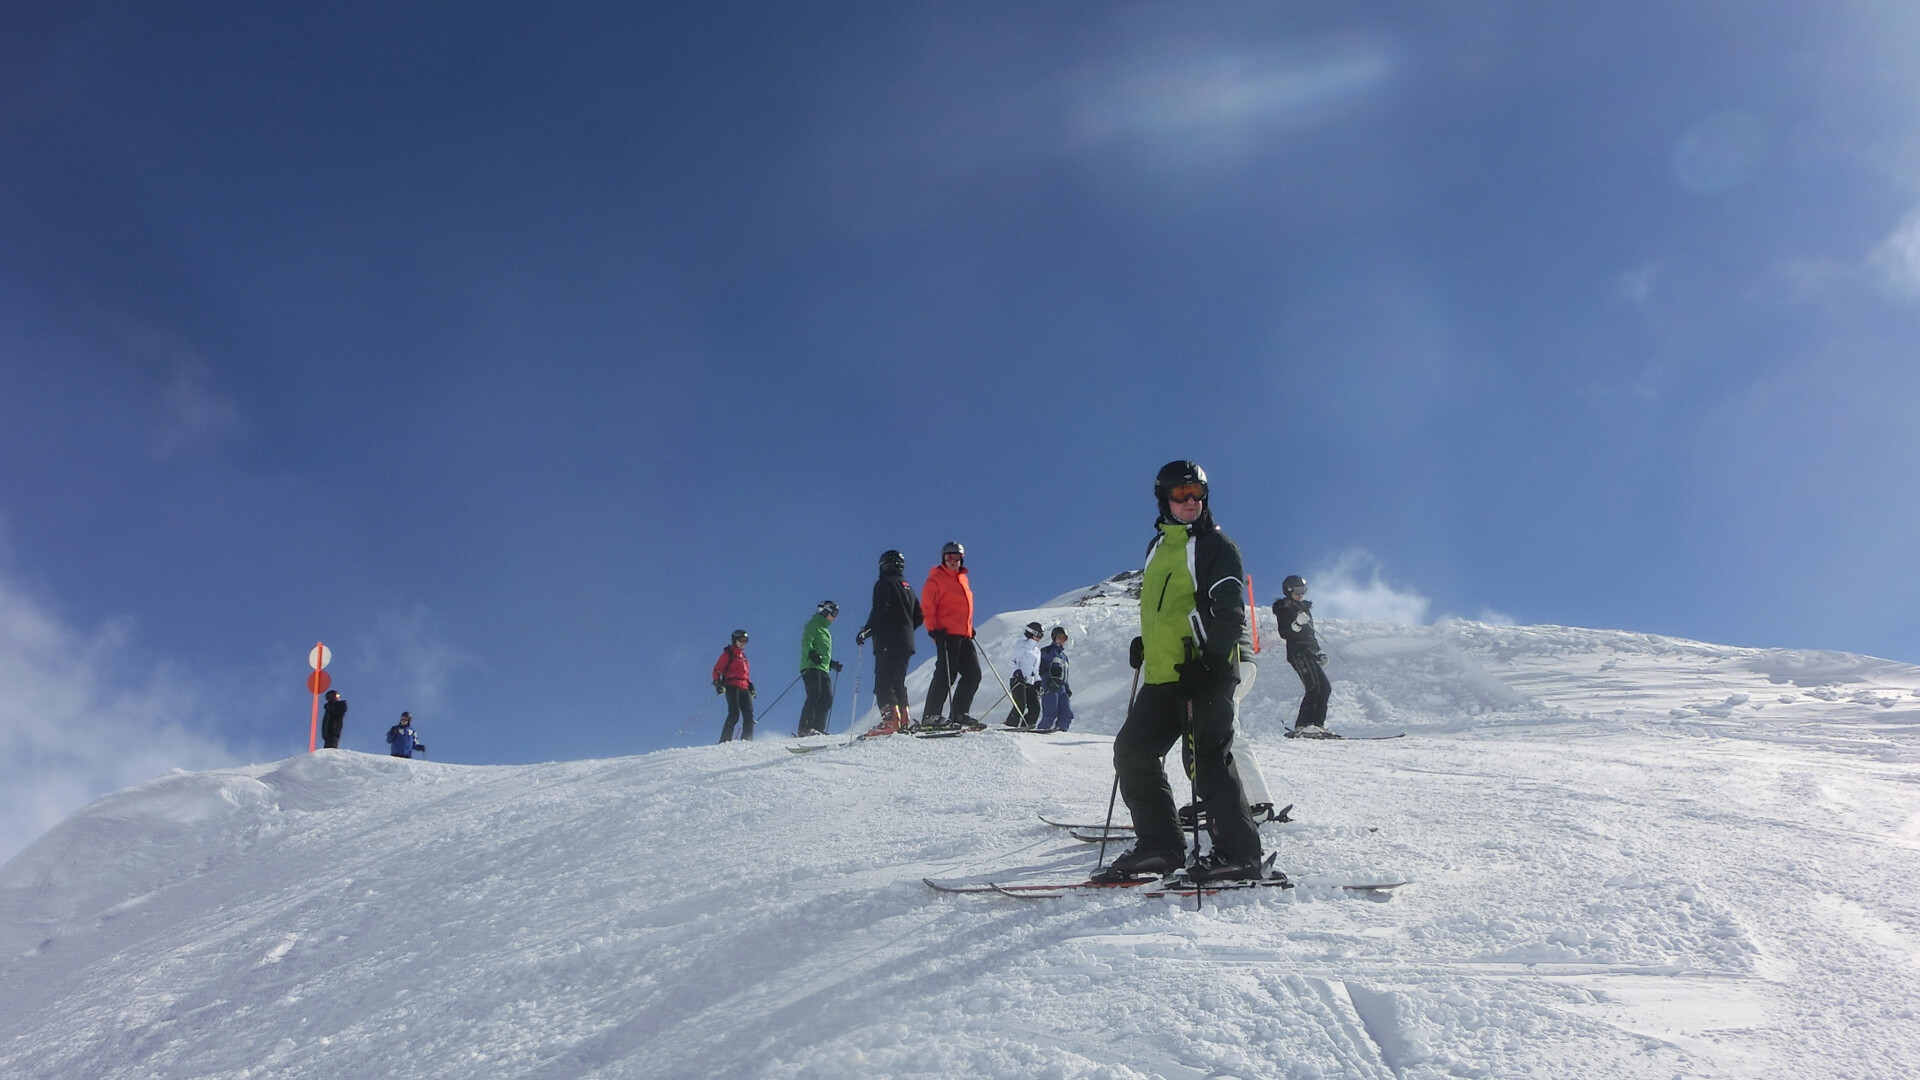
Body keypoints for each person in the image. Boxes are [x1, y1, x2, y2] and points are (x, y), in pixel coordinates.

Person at [1100, 461, 1266, 885]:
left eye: (1197, 493)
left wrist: (1211, 663)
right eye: (1181, 494)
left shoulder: (1216, 546)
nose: (1191, 501)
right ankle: (1161, 846)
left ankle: (1239, 855)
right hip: (1163, 675)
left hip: (1204, 671)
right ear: (1165, 498)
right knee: (1133, 751)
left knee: (1207, 758)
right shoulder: (1156, 548)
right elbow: (1163, 611)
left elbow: (1228, 613)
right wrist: (1147, 642)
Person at [856, 550, 923, 737]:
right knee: (898, 681)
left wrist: (868, 630)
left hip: (888, 641)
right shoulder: (907, 587)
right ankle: (903, 718)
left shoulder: (884, 584)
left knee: (883, 682)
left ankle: (890, 720)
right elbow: (919, 616)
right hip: (907, 642)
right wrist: (906, 628)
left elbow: (881, 609)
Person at [921, 540, 983, 729]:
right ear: (943, 558)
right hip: (946, 632)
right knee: (946, 673)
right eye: (949, 556)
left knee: (973, 673)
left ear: (961, 559)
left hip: (963, 634)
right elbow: (928, 605)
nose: (952, 560)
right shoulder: (936, 578)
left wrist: (968, 626)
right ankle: (931, 715)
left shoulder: (963, 578)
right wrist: (932, 628)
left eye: (956, 556)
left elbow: (964, 606)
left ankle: (959, 713)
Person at [1275, 575, 1332, 734]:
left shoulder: (1305, 609)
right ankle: (1304, 725)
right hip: (1297, 651)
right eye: (1297, 590)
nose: (1301, 594)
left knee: (1325, 687)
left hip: (1308, 651)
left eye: (1303, 590)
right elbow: (1285, 633)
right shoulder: (1284, 608)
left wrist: (1318, 651)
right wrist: (1297, 623)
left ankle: (1317, 725)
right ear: (1288, 591)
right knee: (1314, 686)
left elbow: (1311, 634)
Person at [796, 601, 843, 736]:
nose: (835, 617)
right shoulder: (813, 625)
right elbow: (806, 643)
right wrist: (811, 654)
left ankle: (818, 728)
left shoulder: (826, 631)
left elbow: (824, 653)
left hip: (823, 668)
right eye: (834, 613)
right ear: (826, 612)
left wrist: (832, 663)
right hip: (810, 667)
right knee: (815, 694)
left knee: (827, 698)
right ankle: (805, 728)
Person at [712, 629, 756, 742]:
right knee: (734, 713)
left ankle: (747, 740)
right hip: (732, 686)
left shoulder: (744, 658)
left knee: (749, 715)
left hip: (744, 687)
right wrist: (717, 683)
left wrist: (750, 686)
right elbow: (717, 670)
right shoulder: (728, 654)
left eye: (745, 640)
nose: (743, 643)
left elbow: (745, 674)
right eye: (740, 640)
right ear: (734, 640)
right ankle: (724, 740)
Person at [1003, 622, 1044, 728]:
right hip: (1018, 681)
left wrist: (1038, 681)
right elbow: (1012, 661)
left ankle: (1027, 725)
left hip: (1030, 682)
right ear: (1031, 633)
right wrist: (1017, 673)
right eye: (1038, 635)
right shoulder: (1022, 645)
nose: (1040, 638)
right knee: (1020, 705)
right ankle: (1011, 724)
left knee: (1035, 707)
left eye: (1041, 635)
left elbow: (1036, 669)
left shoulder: (1037, 651)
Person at [1036, 625, 1076, 732]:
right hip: (1050, 687)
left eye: (1064, 638)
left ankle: (1060, 731)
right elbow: (1042, 669)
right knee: (1051, 713)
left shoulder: (1064, 657)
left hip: (1062, 689)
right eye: (1059, 637)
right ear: (1054, 638)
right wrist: (1047, 682)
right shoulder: (1047, 651)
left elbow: (1065, 675)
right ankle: (1041, 731)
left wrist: (1067, 688)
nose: (1061, 640)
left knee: (1067, 714)